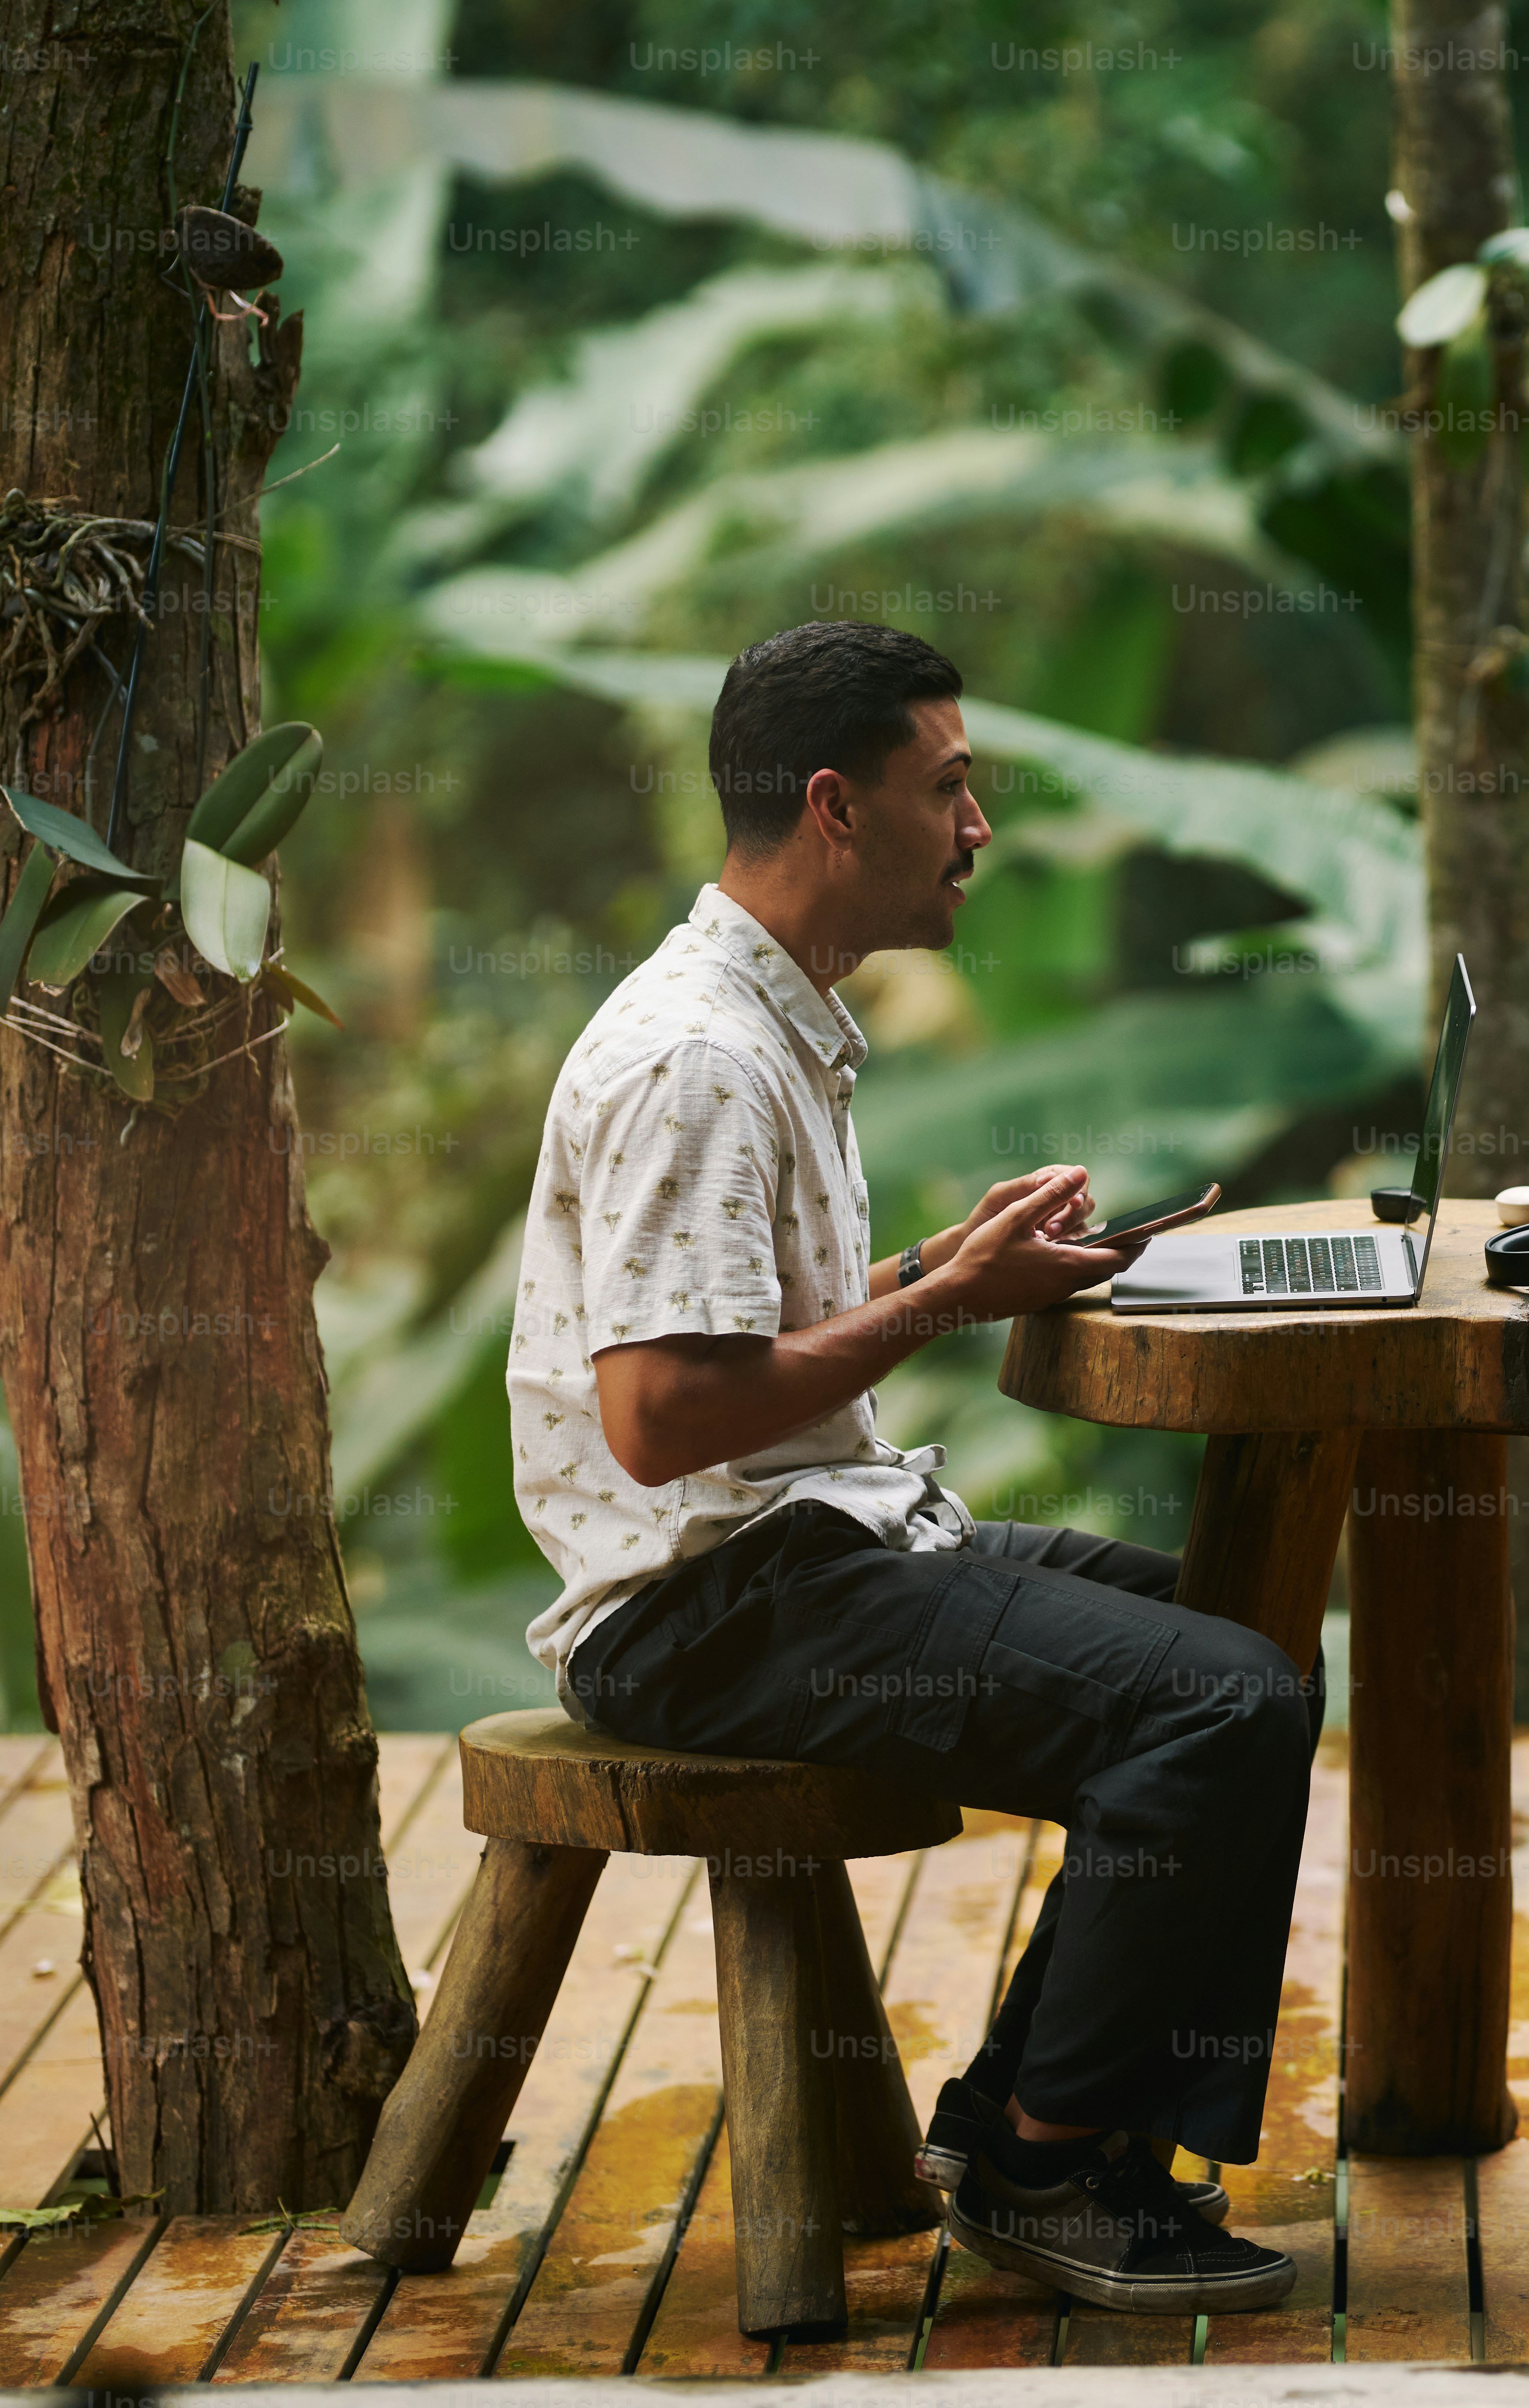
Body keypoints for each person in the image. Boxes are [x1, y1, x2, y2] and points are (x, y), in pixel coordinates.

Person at [506, 619, 1301, 2314]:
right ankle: (1046, 2158)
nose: (982, 824)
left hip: (807, 1548)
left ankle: (1036, 2128)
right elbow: (656, 1418)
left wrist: (929, 1271)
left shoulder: (773, 1021)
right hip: (703, 1609)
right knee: (1216, 1703)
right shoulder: (704, 1058)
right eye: (950, 787)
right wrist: (949, 1303)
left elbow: (734, 1341)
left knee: (1249, 1632)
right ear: (834, 808)